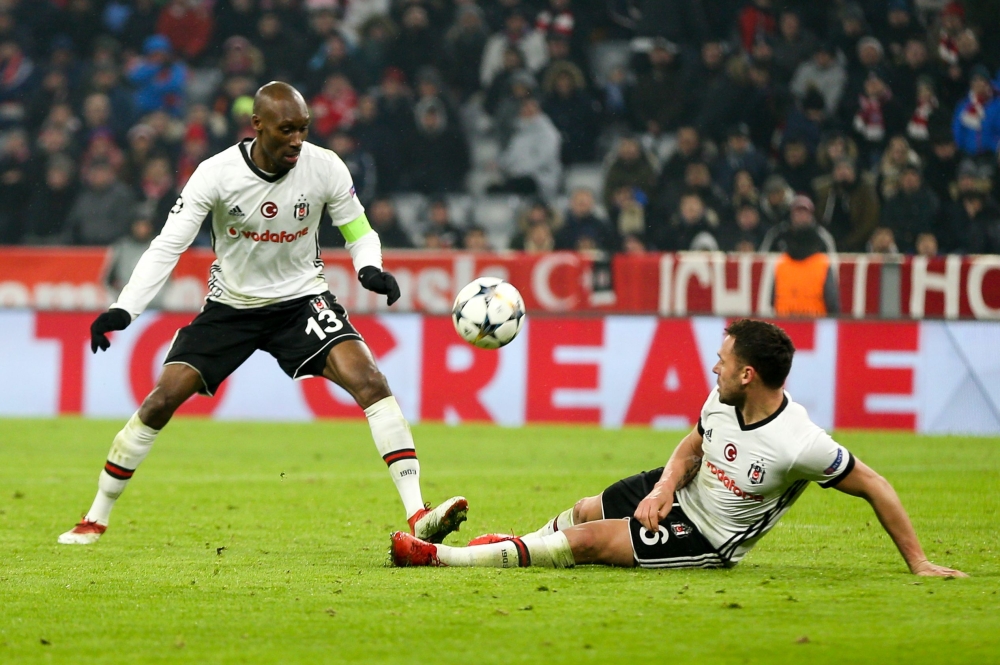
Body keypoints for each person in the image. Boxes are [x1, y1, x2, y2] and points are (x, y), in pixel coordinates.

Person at [58, 82, 466, 546]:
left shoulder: (324, 166)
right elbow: (167, 246)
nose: (297, 140)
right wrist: (123, 308)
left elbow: (358, 229)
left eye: (304, 129)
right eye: (286, 130)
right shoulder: (215, 175)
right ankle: (96, 516)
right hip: (231, 307)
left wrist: (369, 267)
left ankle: (419, 515)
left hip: (301, 301)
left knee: (371, 381)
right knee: (161, 401)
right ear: (257, 126)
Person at [391, 320, 965, 578]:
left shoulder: (800, 443)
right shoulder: (720, 401)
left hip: (707, 535)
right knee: (590, 508)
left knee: (589, 541)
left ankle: (441, 560)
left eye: (723, 358)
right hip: (683, 490)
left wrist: (918, 562)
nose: (712, 364)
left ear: (747, 373)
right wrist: (665, 486)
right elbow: (694, 442)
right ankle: (522, 545)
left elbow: (875, 485)